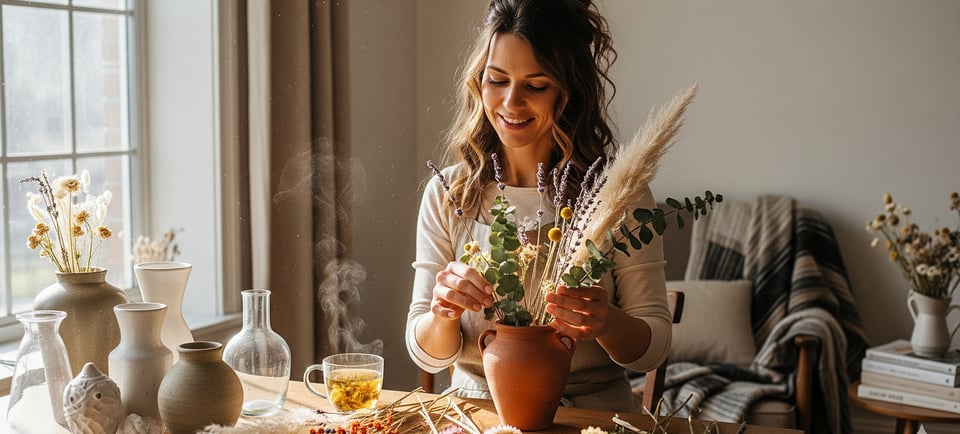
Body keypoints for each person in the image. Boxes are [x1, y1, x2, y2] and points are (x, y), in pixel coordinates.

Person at [405, 0, 671, 411]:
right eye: (497, 80)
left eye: (536, 85)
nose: (511, 103)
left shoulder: (619, 196)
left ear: (569, 94)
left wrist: (605, 322)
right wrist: (442, 311)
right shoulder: (448, 193)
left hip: (590, 414)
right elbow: (427, 354)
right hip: (476, 414)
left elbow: (652, 348)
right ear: (478, 83)